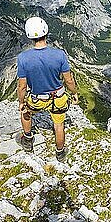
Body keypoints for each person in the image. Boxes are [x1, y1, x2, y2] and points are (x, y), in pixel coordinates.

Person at [16, 17, 78, 161]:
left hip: (37, 99)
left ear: (29, 35)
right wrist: (74, 93)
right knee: (58, 125)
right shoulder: (59, 55)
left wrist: (21, 102)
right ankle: (60, 153)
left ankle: (28, 140)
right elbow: (68, 80)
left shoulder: (23, 58)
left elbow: (22, 86)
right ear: (46, 32)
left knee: (26, 113)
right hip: (58, 98)